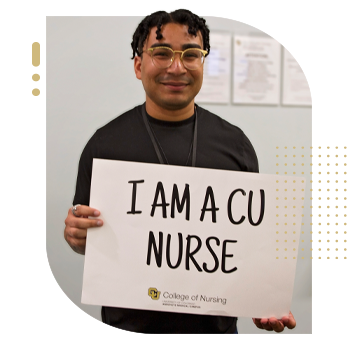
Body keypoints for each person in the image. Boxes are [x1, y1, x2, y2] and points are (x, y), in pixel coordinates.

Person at [64, 9, 296, 334]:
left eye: (190, 54)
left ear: (203, 64)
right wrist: (76, 235)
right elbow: (88, 241)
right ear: (138, 65)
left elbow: (246, 248)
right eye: (161, 53)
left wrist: (260, 299)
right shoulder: (104, 146)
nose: (177, 66)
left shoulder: (237, 146)